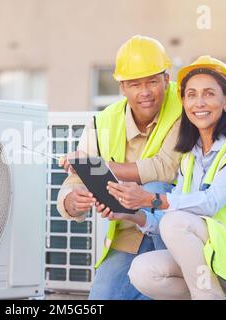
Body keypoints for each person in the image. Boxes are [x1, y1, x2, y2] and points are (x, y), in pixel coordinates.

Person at [105, 56, 226, 300]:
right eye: (191, 94)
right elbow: (170, 216)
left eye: (209, 94)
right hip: (220, 260)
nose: (199, 102)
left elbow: (210, 202)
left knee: (175, 222)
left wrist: (150, 198)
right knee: (144, 271)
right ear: (184, 102)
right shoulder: (190, 157)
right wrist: (130, 213)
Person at [56, 35, 183, 300]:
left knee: (155, 187)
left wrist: (100, 167)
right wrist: (71, 202)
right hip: (128, 231)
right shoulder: (102, 122)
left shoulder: (184, 110)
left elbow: (165, 168)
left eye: (152, 81)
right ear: (122, 88)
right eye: (135, 84)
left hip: (174, 233)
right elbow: (73, 182)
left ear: (166, 79)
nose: (145, 91)